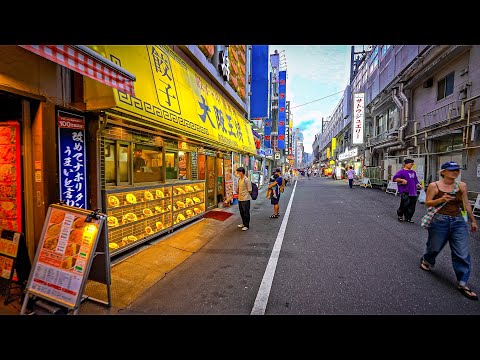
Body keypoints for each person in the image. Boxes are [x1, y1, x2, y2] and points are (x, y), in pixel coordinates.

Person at [420, 161, 478, 301]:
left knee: (462, 252)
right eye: (452, 170)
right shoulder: (435, 186)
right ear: (443, 171)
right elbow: (427, 202)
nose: (455, 172)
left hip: (458, 221)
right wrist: (441, 199)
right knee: (434, 247)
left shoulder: (462, 186)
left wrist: (473, 220)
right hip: (439, 221)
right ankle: (427, 260)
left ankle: (463, 283)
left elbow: (466, 204)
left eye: (457, 170)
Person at [393, 158, 423, 223]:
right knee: (404, 205)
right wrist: (401, 180)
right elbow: (395, 179)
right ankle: (400, 215)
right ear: (406, 164)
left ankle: (408, 217)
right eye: (411, 164)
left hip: (413, 192)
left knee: (412, 206)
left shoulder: (413, 172)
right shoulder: (401, 172)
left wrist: (418, 184)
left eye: (412, 164)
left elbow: (415, 180)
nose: (412, 165)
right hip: (405, 191)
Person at [235, 167, 252, 231]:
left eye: (238, 172)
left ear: (241, 172)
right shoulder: (239, 179)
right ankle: (243, 223)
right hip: (240, 198)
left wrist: (247, 195)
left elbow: (250, 190)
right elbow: (238, 188)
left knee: (246, 212)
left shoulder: (246, 180)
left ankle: (246, 225)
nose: (237, 173)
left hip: (246, 199)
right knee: (241, 212)